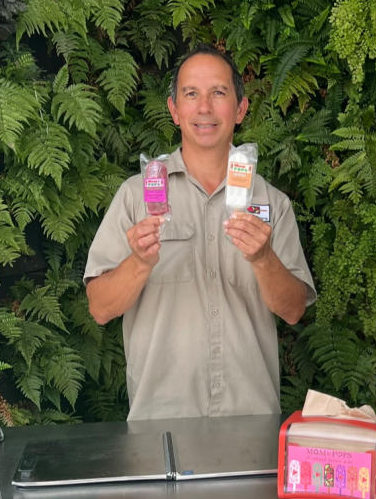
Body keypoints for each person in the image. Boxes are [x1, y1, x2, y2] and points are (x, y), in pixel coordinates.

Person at [84, 45, 316, 421]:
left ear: (240, 109)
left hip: (251, 421)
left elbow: (293, 311)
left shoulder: (271, 202)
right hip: (159, 425)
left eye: (219, 93)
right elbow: (100, 308)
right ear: (174, 110)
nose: (204, 108)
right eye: (191, 94)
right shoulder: (136, 196)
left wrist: (262, 258)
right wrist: (140, 262)